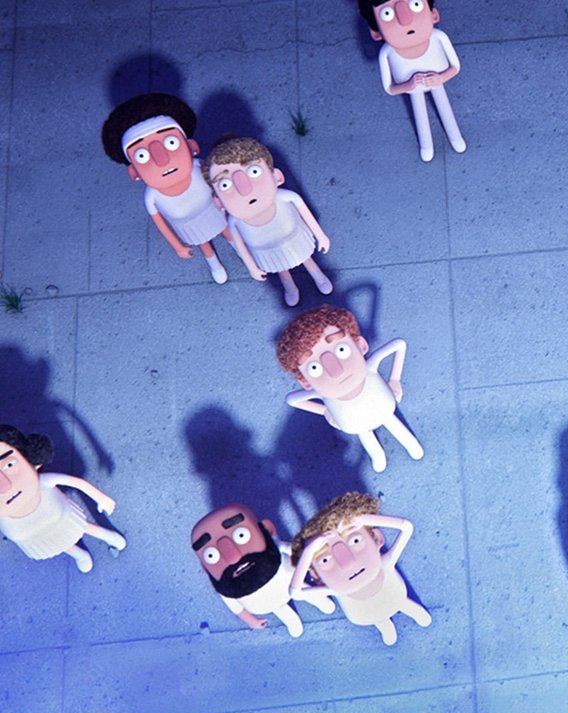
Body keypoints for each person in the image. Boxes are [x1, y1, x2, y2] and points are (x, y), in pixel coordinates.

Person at [101, 93, 240, 284]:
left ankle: (240, 251)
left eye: (171, 143)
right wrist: (177, 246)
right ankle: (215, 265)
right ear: (134, 173)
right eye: (142, 155)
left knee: (227, 231)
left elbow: (218, 180)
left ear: (191, 147)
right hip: (190, 227)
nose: (162, 160)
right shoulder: (152, 198)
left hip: (214, 211)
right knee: (204, 244)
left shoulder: (199, 166)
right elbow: (161, 225)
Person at [277, 305, 423, 473]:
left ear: (360, 345)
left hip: (377, 410)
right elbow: (399, 345)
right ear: (305, 381)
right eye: (314, 367)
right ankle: (380, 456)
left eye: (341, 349)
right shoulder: (324, 391)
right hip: (363, 418)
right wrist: (325, 411)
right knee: (370, 435)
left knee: (390, 427)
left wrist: (395, 380)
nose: (335, 370)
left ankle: (409, 446)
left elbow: (399, 345)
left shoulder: (327, 390)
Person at [204, 137, 333, 307]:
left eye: (254, 172)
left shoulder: (286, 197)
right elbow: (240, 247)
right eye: (225, 184)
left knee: (306, 258)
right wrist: (252, 267)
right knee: (281, 269)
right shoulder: (234, 221)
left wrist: (320, 236)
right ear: (218, 202)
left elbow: (305, 212)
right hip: (267, 250)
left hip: (294, 238)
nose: (245, 190)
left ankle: (318, 277)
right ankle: (290, 288)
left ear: (277, 177)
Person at [290, 493, 432, 645]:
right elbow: (295, 593)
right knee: (380, 617)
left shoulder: (337, 588)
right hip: (373, 609)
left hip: (391, 600)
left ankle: (407, 614)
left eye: (356, 540)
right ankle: (386, 626)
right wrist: (308, 551)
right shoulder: (382, 565)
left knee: (402, 604)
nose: (347, 563)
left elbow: (407, 527)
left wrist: (310, 551)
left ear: (377, 538)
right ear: (315, 575)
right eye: (325, 560)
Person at [191, 503, 335, 637]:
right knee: (282, 610)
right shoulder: (226, 587)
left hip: (291, 583)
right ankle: (294, 620)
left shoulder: (277, 548)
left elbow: (299, 554)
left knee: (304, 591)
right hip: (271, 601)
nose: (232, 557)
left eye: (241, 535)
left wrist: (312, 568)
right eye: (211, 555)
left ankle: (321, 602)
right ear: (205, 567)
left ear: (267, 529)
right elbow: (233, 606)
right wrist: (251, 620)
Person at [0, 425, 125, 573]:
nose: (5, 486)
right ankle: (82, 555)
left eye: (9, 464)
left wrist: (100, 497)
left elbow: (75, 482)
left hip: (61, 519)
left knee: (81, 527)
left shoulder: (41, 482)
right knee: (57, 544)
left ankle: (109, 536)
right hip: (34, 537)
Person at [358, 0, 466, 162]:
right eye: (387, 14)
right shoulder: (387, 53)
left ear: (434, 15)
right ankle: (426, 146)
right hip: (414, 89)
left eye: (416, 4)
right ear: (376, 33)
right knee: (420, 113)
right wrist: (409, 85)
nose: (405, 20)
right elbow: (389, 88)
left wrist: (441, 78)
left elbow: (455, 66)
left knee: (445, 108)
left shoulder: (439, 37)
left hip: (436, 83)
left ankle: (455, 137)